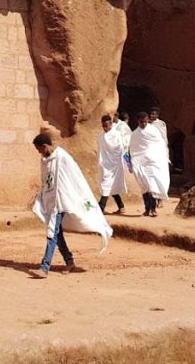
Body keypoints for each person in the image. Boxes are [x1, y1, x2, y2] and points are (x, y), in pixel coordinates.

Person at [30, 133, 113, 278]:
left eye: (39, 149)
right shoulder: (45, 161)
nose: (39, 152)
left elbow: (75, 177)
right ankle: (69, 261)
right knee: (57, 234)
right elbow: (46, 182)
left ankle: (44, 267)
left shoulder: (62, 157)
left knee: (52, 233)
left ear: (44, 146)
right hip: (51, 202)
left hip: (61, 201)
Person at [129, 112, 170, 217]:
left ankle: (153, 208)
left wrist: (163, 157)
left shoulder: (154, 131)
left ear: (147, 121)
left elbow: (160, 145)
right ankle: (147, 209)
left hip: (153, 161)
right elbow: (133, 150)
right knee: (144, 186)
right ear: (137, 121)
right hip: (140, 163)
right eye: (141, 122)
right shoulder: (134, 134)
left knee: (152, 185)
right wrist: (132, 163)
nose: (143, 124)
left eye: (145, 121)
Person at [97, 115, 127, 214]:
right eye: (103, 126)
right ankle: (121, 206)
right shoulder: (101, 136)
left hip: (114, 165)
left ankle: (100, 208)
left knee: (107, 185)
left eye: (106, 125)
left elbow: (120, 148)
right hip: (105, 165)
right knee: (110, 186)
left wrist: (113, 159)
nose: (105, 128)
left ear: (110, 124)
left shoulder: (116, 134)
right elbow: (101, 151)